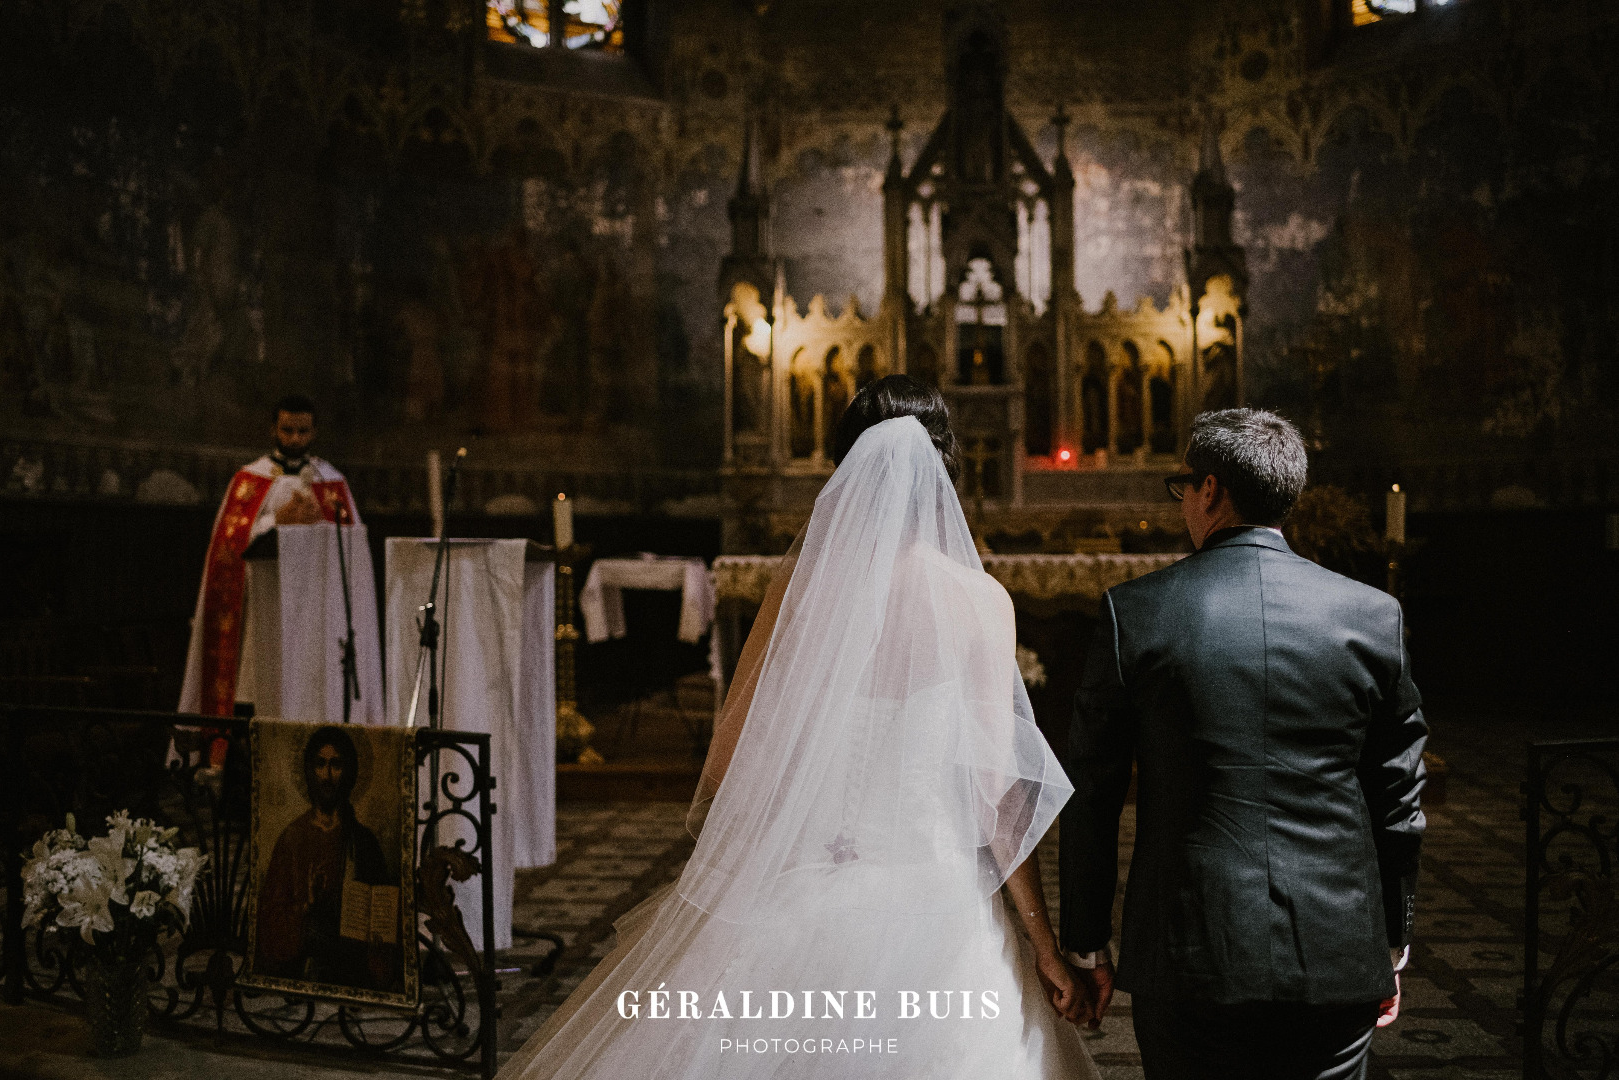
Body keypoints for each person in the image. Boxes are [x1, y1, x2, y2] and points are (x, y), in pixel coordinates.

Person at [499, 375, 1096, 1079]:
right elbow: (999, 799)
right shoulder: (980, 602)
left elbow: (723, 766)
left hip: (807, 879)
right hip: (942, 900)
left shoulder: (800, 589)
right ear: (946, 471)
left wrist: (789, 843)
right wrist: (1045, 944)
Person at [1059, 408, 1427, 1080]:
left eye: (1184, 492)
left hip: (1189, 948)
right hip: (1335, 947)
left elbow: (1092, 793)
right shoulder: (1374, 615)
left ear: (1208, 490)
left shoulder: (1135, 611)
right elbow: (1398, 803)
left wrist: (1085, 942)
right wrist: (1391, 943)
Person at [179, 394, 361, 727]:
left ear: (314, 432)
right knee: (257, 689)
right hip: (264, 606)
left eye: (303, 431)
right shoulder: (250, 479)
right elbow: (229, 543)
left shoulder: (331, 481)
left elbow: (351, 553)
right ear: (273, 430)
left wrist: (320, 522)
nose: (295, 438)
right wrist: (278, 520)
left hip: (313, 612)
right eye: (287, 430)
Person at [254, 725, 400, 990]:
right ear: (309, 770)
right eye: (320, 764)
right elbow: (269, 916)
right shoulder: (292, 838)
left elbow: (383, 910)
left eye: (336, 765)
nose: (328, 775)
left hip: (352, 963)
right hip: (303, 957)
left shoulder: (363, 841)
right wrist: (305, 907)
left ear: (349, 772)